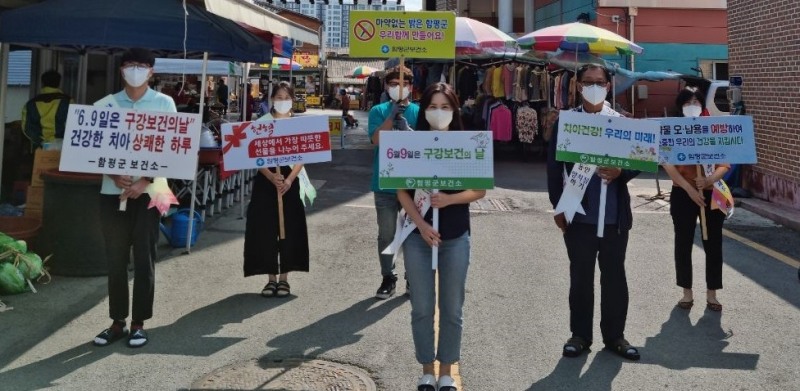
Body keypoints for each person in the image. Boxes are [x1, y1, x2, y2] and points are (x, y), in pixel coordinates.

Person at [547, 64, 641, 361]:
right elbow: (552, 170)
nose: (594, 87)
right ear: (577, 86)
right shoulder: (566, 123)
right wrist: (559, 207)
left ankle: (615, 336)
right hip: (579, 217)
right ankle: (580, 335)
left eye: (599, 82)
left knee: (614, 278)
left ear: (608, 87)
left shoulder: (622, 122)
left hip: (614, 218)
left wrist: (621, 171)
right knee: (580, 278)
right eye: (588, 82)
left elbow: (640, 159)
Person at [398, 82, 483, 391]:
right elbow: (401, 190)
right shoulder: (410, 143)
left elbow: (480, 189)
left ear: (455, 111)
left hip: (456, 236)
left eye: (445, 107)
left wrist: (449, 200)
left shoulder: (469, 143)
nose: (439, 112)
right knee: (421, 306)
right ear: (423, 111)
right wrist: (420, 224)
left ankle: (446, 370)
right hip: (417, 236)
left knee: (452, 307)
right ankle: (425, 369)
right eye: (432, 107)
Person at [93, 48, 176, 348]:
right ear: (121, 70)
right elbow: (94, 151)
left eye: (142, 66)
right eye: (130, 65)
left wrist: (145, 181)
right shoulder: (105, 105)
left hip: (149, 195)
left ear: (151, 72)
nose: (136, 70)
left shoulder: (165, 104)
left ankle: (139, 323)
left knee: (144, 258)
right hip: (111, 194)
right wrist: (114, 176)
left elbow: (173, 150)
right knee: (115, 259)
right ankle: (117, 322)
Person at [662, 88, 729, 312]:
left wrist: (709, 180)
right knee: (683, 242)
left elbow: (723, 164)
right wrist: (689, 188)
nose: (693, 104)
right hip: (683, 193)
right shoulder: (672, 130)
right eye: (688, 101)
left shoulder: (713, 130)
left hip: (711, 193)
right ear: (680, 106)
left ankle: (712, 293)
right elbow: (667, 163)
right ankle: (686, 292)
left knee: (714, 244)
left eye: (696, 101)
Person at [244, 81, 309, 298]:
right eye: (278, 98)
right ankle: (270, 278)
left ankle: (284, 279)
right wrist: (271, 176)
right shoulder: (261, 124)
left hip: (290, 181)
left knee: (289, 228)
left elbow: (302, 157)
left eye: (286, 98)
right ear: (272, 100)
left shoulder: (298, 125)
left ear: (293, 100)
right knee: (265, 228)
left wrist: (289, 180)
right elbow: (253, 155)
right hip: (266, 181)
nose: (282, 102)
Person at [367, 69, 419, 299]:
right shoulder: (377, 111)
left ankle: (413, 277)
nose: (399, 87)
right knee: (387, 233)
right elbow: (376, 140)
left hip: (413, 184)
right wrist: (391, 117)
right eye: (393, 83)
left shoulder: (420, 110)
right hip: (385, 184)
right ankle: (388, 276)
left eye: (403, 82)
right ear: (386, 86)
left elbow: (429, 143)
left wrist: (409, 130)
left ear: (410, 85)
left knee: (412, 233)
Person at [21, 70, 72, 150]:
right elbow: (74, 126)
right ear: (59, 83)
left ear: (43, 83)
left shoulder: (30, 104)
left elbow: (26, 128)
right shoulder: (68, 102)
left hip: (40, 147)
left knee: (42, 162)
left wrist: (40, 141)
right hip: (63, 147)